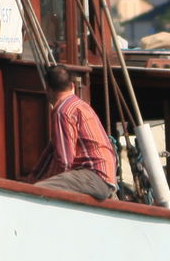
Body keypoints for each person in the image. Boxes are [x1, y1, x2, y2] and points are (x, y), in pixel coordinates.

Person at [33, 65, 117, 200]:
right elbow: (51, 153)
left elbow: (65, 161)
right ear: (72, 85)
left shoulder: (63, 111)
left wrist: (31, 184)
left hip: (93, 175)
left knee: (35, 192)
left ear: (47, 89)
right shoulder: (81, 105)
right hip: (106, 177)